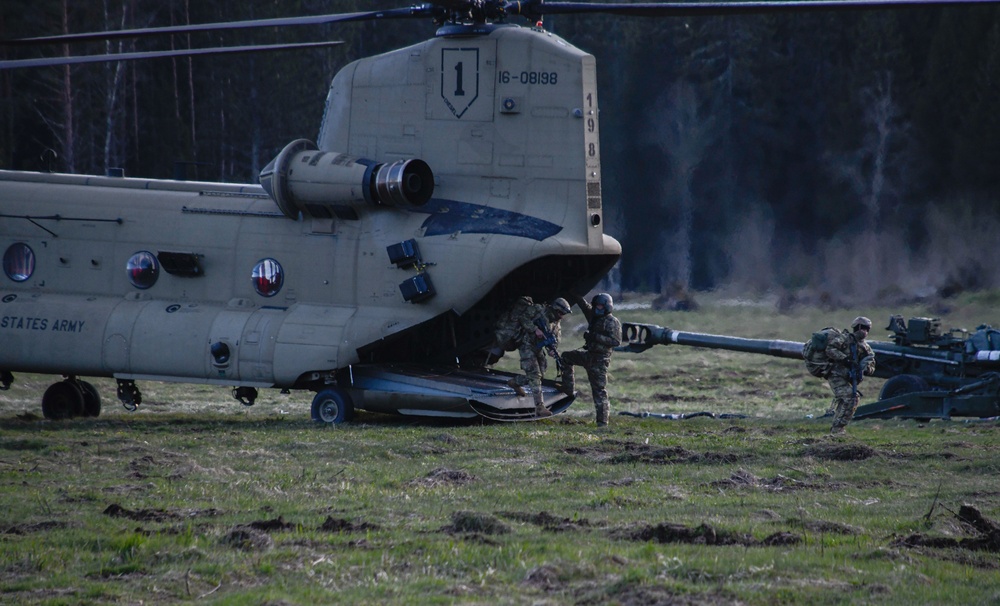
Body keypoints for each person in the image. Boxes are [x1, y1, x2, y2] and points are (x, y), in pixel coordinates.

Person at [561, 293, 622, 427]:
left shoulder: (612, 322)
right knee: (565, 357)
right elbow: (584, 306)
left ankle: (602, 423)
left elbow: (616, 341)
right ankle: (568, 389)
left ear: (607, 307)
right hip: (588, 355)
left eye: (600, 306)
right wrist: (575, 293)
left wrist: (595, 336)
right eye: (595, 306)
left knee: (599, 391)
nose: (597, 309)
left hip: (600, 360)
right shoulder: (593, 316)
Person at [508, 297, 572, 417]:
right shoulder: (538, 310)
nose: (562, 316)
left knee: (541, 374)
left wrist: (551, 350)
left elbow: (553, 341)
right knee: (534, 374)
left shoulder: (556, 325)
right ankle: (540, 407)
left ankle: (515, 382)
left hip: (537, 347)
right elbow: (523, 318)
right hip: (526, 345)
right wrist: (534, 329)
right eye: (561, 313)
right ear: (555, 309)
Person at [823, 316, 876, 434]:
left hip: (849, 378)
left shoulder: (866, 348)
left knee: (847, 401)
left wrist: (864, 368)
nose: (864, 331)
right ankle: (838, 429)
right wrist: (845, 359)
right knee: (850, 397)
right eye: (862, 328)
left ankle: (836, 429)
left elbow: (872, 366)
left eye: (867, 329)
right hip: (836, 375)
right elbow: (830, 349)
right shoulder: (844, 339)